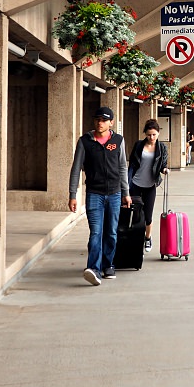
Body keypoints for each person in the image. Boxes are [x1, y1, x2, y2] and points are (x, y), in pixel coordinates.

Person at [68, 106, 131, 286]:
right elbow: (76, 169)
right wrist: (73, 194)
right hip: (94, 193)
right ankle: (93, 269)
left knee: (111, 232)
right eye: (97, 119)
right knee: (96, 232)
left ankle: (108, 264)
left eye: (103, 120)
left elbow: (122, 168)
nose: (99, 123)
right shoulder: (85, 141)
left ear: (111, 123)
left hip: (114, 193)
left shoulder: (118, 141)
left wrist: (126, 193)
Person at [127, 119, 169, 254]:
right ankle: (134, 238)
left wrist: (164, 170)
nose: (151, 137)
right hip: (135, 184)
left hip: (150, 185)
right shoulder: (139, 145)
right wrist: (127, 182)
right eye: (149, 134)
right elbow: (132, 164)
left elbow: (163, 164)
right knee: (134, 213)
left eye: (154, 135)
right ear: (145, 134)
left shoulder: (162, 148)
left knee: (148, 215)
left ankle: (147, 237)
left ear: (158, 134)